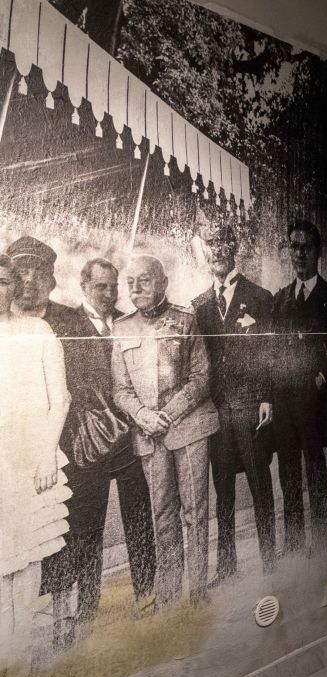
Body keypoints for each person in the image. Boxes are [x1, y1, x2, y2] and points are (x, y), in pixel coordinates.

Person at [112, 255, 218, 608]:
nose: (136, 288)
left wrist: (166, 415)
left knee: (195, 512)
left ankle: (198, 593)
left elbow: (202, 378)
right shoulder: (122, 328)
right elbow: (120, 390)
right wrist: (143, 415)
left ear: (162, 282)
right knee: (163, 515)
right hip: (148, 435)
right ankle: (171, 596)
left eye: (144, 280)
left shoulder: (185, 320)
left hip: (188, 429)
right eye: (130, 283)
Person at [6, 236, 88, 647]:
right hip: (10, 455)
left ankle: (64, 619)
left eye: (39, 272)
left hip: (62, 448)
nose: (28, 281)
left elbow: (84, 388)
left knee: (57, 537)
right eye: (20, 273)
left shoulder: (65, 324)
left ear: (52, 278)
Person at [67, 258, 157, 618]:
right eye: (101, 286)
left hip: (129, 439)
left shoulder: (125, 323)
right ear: (84, 286)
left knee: (138, 516)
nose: (108, 293)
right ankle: (88, 607)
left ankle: (147, 594)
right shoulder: (67, 324)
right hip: (90, 442)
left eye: (113, 286)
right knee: (89, 527)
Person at [192, 224, 277, 582]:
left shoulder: (260, 297)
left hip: (250, 404)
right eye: (210, 244)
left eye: (223, 242)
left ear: (234, 246)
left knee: (260, 485)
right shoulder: (199, 306)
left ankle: (271, 564)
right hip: (217, 412)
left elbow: (271, 352)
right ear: (204, 252)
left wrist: (268, 396)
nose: (217, 250)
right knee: (222, 489)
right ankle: (226, 567)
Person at [0, 252, 71, 665]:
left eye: (5, 281)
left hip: (33, 460)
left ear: (16, 285)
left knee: (28, 553)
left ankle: (21, 649)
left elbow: (59, 399)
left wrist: (47, 455)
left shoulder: (39, 330)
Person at [271, 220, 327, 556]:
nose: (299, 253)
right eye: (294, 246)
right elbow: (272, 350)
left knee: (314, 471)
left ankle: (319, 541)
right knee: (288, 472)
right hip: (285, 402)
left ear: (318, 252)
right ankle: (294, 540)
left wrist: (321, 377)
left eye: (306, 247)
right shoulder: (281, 300)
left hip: (314, 403)